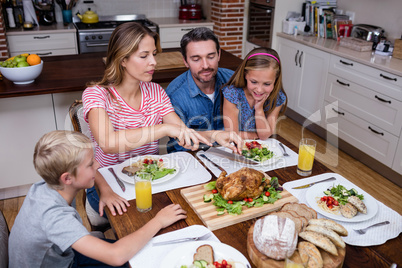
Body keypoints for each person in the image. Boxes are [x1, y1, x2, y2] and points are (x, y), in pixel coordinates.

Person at [82, 22, 243, 227]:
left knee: (187, 219)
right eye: (144, 56)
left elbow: (183, 132)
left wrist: (214, 135)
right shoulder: (97, 94)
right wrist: (163, 129)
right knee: (141, 227)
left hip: (151, 181)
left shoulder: (155, 92)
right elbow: (107, 142)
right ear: (123, 59)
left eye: (154, 54)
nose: (153, 62)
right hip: (109, 185)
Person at [9, 130, 188, 267]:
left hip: (66, 256)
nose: (98, 164)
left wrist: (103, 188)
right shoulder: (54, 216)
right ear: (67, 178)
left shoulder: (49, 184)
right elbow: (115, 256)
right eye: (90, 164)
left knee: (142, 250)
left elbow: (85, 171)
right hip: (68, 264)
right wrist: (159, 221)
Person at [165, 27, 235, 153]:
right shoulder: (174, 95)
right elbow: (180, 144)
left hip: (230, 153)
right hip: (191, 158)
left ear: (219, 54)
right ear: (185, 61)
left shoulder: (233, 81)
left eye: (211, 56)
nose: (205, 65)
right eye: (196, 59)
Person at [222, 47, 287, 140]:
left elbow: (264, 136)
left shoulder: (277, 98)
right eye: (254, 82)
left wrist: (259, 110)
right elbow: (231, 136)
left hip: (258, 147)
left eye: (267, 84)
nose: (259, 90)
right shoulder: (232, 94)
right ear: (245, 75)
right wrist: (256, 135)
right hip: (233, 147)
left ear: (276, 79)